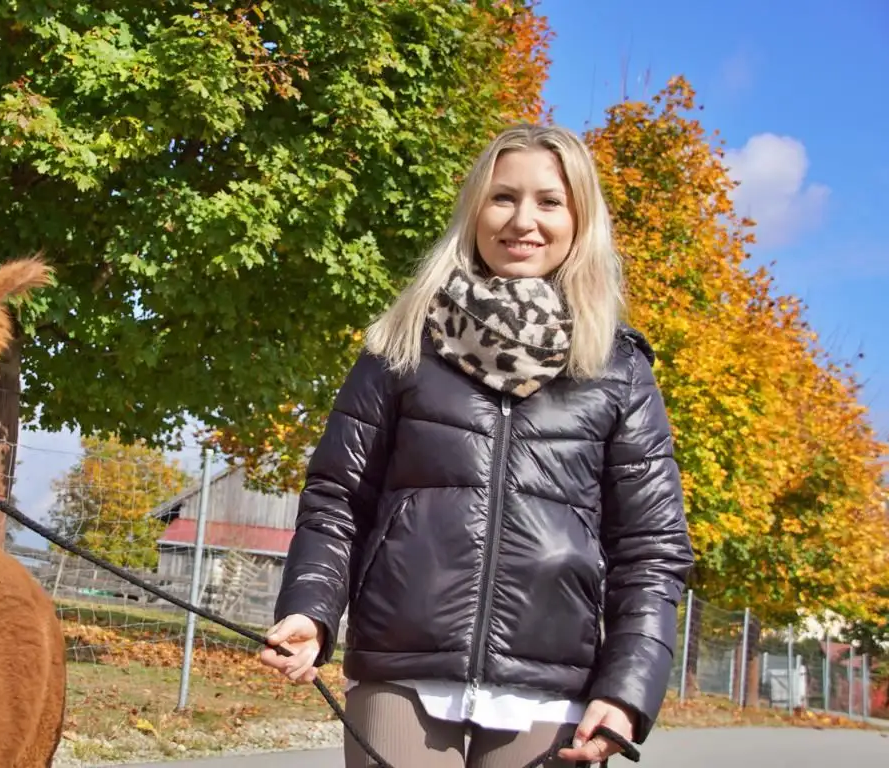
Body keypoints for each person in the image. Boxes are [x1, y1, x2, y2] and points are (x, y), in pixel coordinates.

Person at [258, 124, 695, 768]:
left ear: (580, 219)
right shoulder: (399, 344)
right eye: (502, 198)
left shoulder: (620, 368)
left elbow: (652, 549)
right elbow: (338, 499)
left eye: (550, 201)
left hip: (555, 700)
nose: (524, 220)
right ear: (474, 211)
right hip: (402, 676)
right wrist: (311, 611)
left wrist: (628, 691)